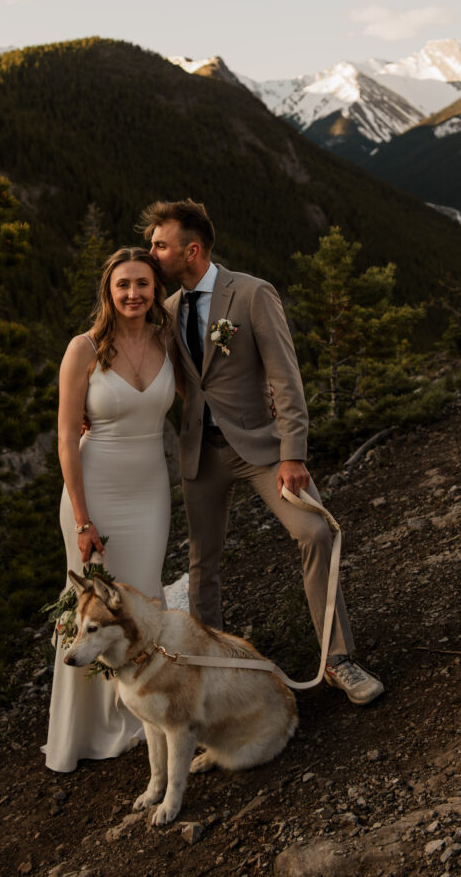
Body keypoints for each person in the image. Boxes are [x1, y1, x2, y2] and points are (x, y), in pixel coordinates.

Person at [142, 199, 383, 706]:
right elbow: (184, 381)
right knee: (202, 564)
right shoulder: (167, 311)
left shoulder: (250, 294)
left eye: (159, 245)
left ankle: (339, 660)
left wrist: (293, 452)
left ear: (192, 249)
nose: (152, 253)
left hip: (263, 449)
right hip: (200, 456)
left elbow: (285, 376)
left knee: (315, 531)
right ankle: (211, 675)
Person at [43, 247, 177, 772]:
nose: (133, 294)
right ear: (108, 290)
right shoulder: (84, 349)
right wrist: (82, 519)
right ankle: (82, 731)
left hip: (151, 491)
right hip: (94, 491)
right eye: (123, 284)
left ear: (155, 290)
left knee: (141, 598)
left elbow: (204, 397)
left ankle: (137, 712)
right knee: (88, 606)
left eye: (143, 284)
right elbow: (64, 438)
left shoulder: (168, 342)